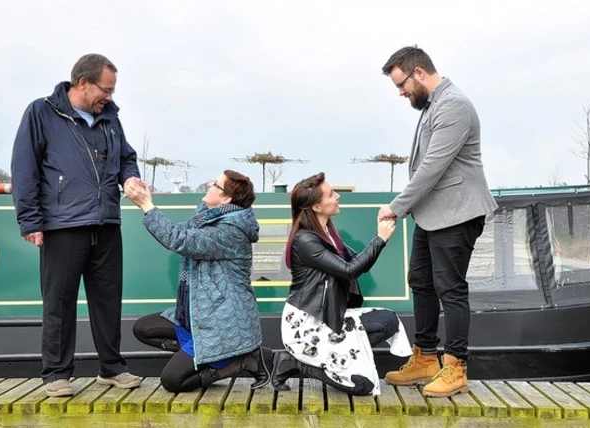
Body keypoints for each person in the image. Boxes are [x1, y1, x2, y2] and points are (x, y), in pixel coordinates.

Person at [11, 54, 142, 397]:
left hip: (107, 223)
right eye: (106, 90)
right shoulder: (40, 112)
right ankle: (56, 373)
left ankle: (112, 368)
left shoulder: (111, 119)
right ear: (83, 83)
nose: (110, 97)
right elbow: (24, 168)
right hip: (62, 225)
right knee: (59, 302)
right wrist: (29, 219)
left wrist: (130, 178)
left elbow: (127, 157)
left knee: (108, 301)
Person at [378, 46, 498, 397]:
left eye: (401, 84)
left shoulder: (454, 105)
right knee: (421, 281)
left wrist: (396, 207)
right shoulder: (434, 105)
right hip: (434, 214)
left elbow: (433, 167)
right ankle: (426, 357)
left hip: (457, 213)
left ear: (418, 72)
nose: (400, 92)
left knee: (451, 288)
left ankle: (456, 366)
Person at [127, 170, 273, 393]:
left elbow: (179, 241)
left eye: (215, 184)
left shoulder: (230, 231)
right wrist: (150, 200)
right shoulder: (207, 218)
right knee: (144, 328)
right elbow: (178, 232)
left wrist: (146, 205)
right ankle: (207, 355)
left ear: (226, 198)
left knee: (173, 381)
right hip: (199, 315)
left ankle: (241, 360)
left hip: (221, 322)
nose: (208, 185)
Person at [270, 173, 411, 396]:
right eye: (331, 194)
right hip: (306, 325)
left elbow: (355, 261)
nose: (337, 196)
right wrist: (380, 239)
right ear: (317, 206)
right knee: (362, 386)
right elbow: (349, 271)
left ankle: (341, 356)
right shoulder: (305, 240)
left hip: (326, 316)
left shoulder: (326, 233)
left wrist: (379, 234)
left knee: (388, 321)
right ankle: (295, 363)